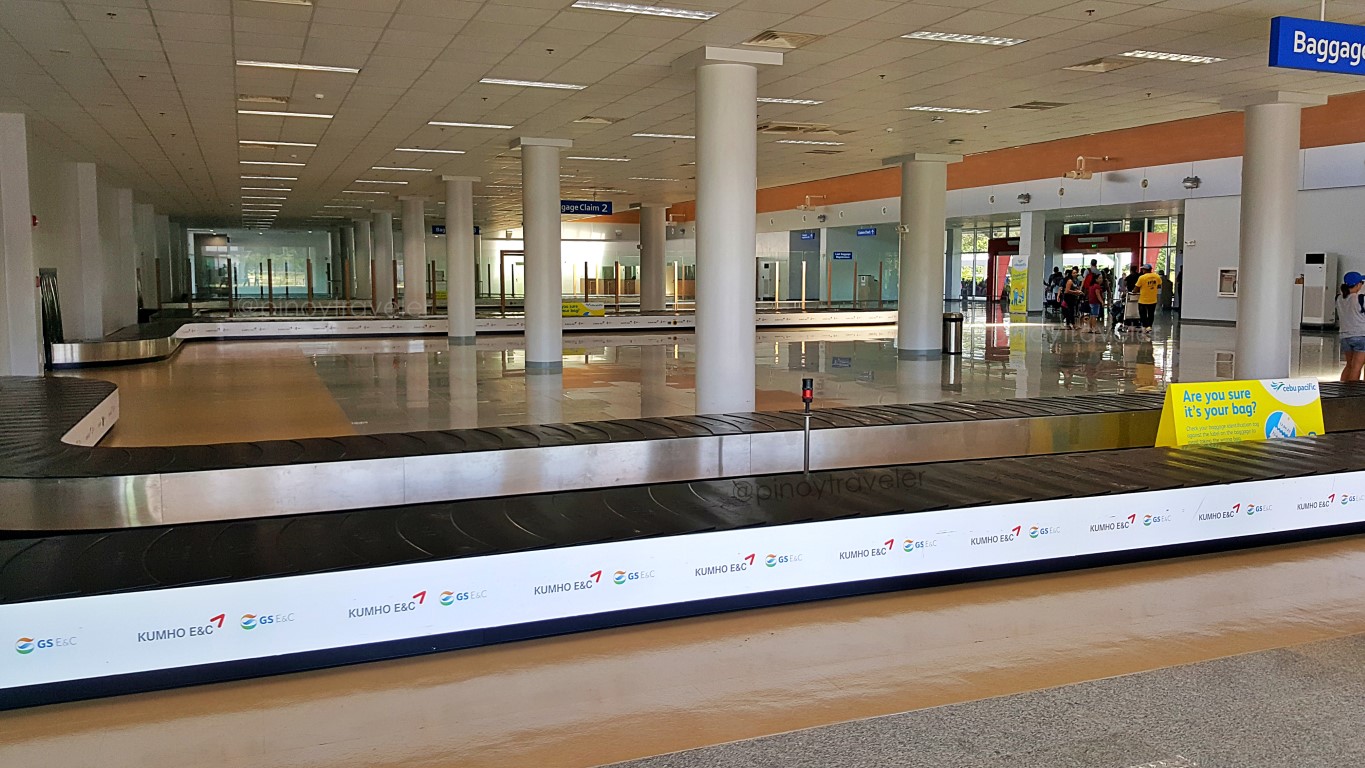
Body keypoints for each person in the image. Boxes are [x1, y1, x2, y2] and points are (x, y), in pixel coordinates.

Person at [1338, 271, 1365, 382]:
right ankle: (1352, 394)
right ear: (1358, 285)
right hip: (1360, 336)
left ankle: (1342, 390)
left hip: (1344, 337)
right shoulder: (1360, 299)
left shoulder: (1338, 298)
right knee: (1356, 367)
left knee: (1349, 365)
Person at [1135, 264, 1162, 335]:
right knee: (1151, 314)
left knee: (1143, 314)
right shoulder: (1157, 276)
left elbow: (1136, 288)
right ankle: (1149, 327)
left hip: (1143, 300)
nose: (1142, 270)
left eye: (1143, 269)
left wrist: (1134, 291)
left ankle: (1146, 327)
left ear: (1145, 270)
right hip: (1153, 299)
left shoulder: (1142, 277)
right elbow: (1159, 285)